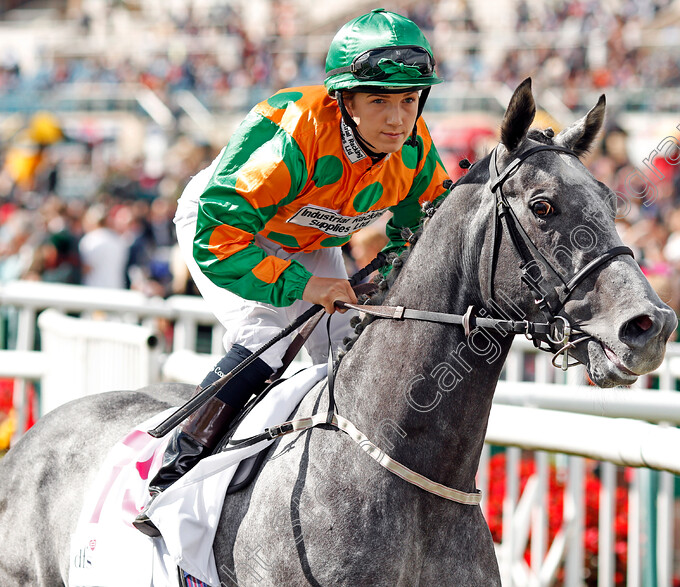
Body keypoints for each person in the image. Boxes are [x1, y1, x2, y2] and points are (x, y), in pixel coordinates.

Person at [134, 9, 450, 536]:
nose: (397, 119)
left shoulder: (414, 150)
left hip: (306, 239)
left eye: (409, 100)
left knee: (347, 346)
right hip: (228, 228)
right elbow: (221, 239)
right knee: (267, 339)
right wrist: (305, 285)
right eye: (378, 101)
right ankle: (172, 473)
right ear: (343, 100)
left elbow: (423, 230)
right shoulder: (292, 132)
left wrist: (389, 274)